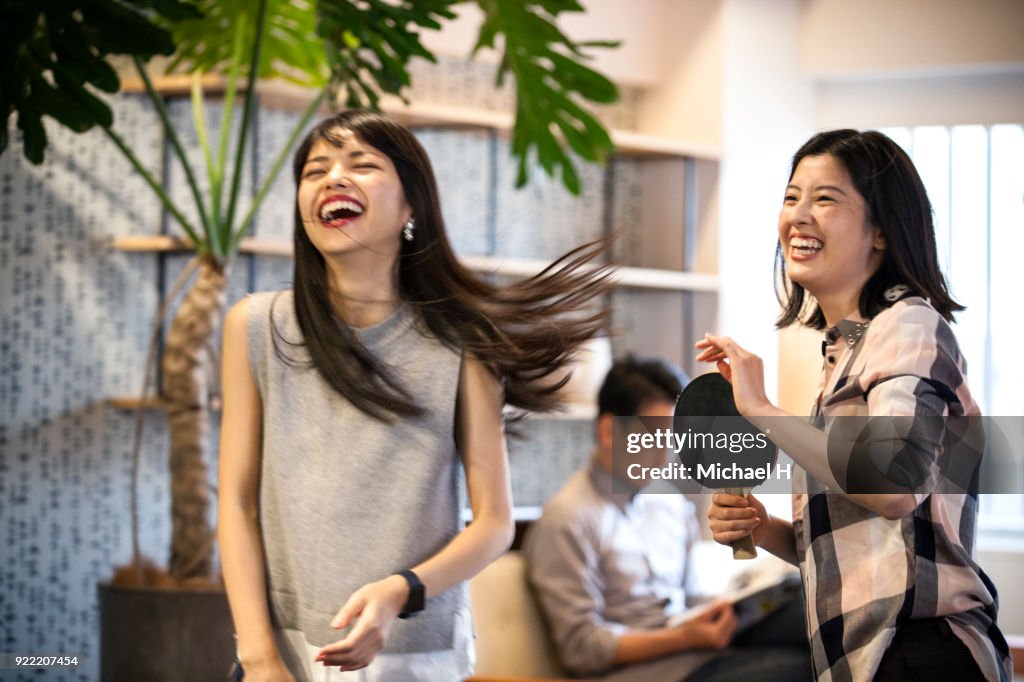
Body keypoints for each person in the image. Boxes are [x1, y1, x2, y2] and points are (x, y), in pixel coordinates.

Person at [217, 110, 612, 682]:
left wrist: (402, 591)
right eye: (315, 170)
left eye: (362, 165)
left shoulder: (462, 343)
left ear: (411, 208)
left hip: (412, 654)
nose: (332, 179)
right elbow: (235, 502)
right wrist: (258, 658)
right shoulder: (254, 327)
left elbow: (494, 524)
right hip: (285, 649)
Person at [700, 129, 1013, 681]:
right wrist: (763, 526)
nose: (798, 215)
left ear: (882, 233)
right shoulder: (847, 350)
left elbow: (894, 486)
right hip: (870, 657)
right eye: (792, 196)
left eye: (825, 198)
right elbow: (864, 552)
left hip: (922, 653)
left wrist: (760, 408)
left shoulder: (909, 325)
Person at [524, 355, 811, 681]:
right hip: (646, 672)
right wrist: (685, 637)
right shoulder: (567, 519)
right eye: (652, 438)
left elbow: (689, 599)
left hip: (699, 653)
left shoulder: (670, 504)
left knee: (809, 614)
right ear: (608, 431)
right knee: (803, 671)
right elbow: (582, 648)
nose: (664, 455)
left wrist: (734, 602)